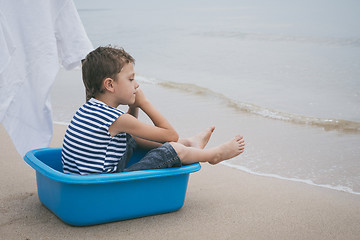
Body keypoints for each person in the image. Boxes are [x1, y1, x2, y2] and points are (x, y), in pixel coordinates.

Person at [61, 46, 245, 175]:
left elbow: (127, 131)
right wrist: (144, 103)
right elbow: (170, 135)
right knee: (172, 149)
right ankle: (211, 156)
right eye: (131, 79)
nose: (137, 84)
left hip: (90, 178)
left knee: (129, 137)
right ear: (110, 84)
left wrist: (132, 106)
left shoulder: (90, 108)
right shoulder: (115, 118)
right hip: (106, 184)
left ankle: (189, 143)